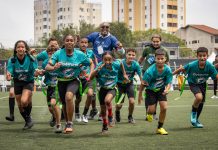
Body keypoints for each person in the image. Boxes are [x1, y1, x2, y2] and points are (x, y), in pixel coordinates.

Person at [45, 34, 91, 134]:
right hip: (61, 82)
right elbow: (47, 67)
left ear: (74, 42)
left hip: (74, 80)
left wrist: (89, 74)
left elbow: (90, 62)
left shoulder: (80, 54)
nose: (69, 42)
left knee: (69, 97)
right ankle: (66, 122)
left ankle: (70, 123)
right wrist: (54, 67)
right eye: (67, 40)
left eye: (71, 40)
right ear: (64, 42)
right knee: (64, 104)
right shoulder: (58, 53)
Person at [86, 22, 124, 120]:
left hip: (107, 68)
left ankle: (103, 114)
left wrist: (120, 48)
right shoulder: (94, 35)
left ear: (109, 28)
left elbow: (121, 52)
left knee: (105, 91)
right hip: (96, 67)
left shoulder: (112, 38)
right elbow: (84, 41)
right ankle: (94, 110)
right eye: (103, 27)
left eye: (107, 27)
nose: (105, 28)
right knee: (93, 92)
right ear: (100, 27)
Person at [173, 47, 218, 128]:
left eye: (204, 56)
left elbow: (216, 76)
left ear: (207, 56)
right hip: (193, 83)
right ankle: (193, 113)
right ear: (197, 56)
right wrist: (169, 75)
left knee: (201, 102)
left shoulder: (210, 66)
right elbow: (181, 69)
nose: (202, 57)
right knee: (199, 97)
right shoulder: (192, 65)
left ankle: (195, 120)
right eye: (200, 56)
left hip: (202, 84)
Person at [90, 51, 128, 134]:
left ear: (113, 59)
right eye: (105, 60)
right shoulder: (100, 65)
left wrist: (124, 74)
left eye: (109, 59)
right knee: (103, 111)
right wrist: (98, 70)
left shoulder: (116, 64)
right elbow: (91, 77)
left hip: (112, 88)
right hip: (102, 89)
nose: (107, 62)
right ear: (102, 59)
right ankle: (105, 125)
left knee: (107, 100)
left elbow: (121, 62)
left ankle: (110, 116)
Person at [138, 49, 172, 135]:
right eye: (158, 59)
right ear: (155, 59)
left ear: (165, 59)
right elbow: (143, 84)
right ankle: (149, 114)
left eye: (162, 58)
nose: (160, 60)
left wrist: (167, 89)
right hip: (150, 91)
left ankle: (160, 128)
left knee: (164, 108)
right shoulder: (150, 71)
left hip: (161, 90)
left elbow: (168, 82)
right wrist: (140, 95)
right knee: (152, 110)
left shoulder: (167, 69)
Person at [6, 40, 38, 130]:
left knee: (24, 101)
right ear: (16, 49)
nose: (20, 48)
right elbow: (10, 71)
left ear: (25, 49)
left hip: (28, 82)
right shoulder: (12, 59)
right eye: (18, 47)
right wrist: (8, 75)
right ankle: (28, 120)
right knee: (20, 106)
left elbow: (35, 70)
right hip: (17, 82)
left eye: (22, 47)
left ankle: (28, 119)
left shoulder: (31, 58)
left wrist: (37, 72)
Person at [138, 34, 170, 121]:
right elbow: (141, 59)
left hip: (159, 74)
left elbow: (167, 63)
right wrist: (136, 68)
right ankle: (149, 113)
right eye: (154, 41)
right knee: (149, 92)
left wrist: (168, 72)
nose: (155, 43)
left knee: (157, 91)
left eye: (157, 41)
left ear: (160, 41)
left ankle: (153, 113)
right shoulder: (147, 49)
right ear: (151, 41)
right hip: (147, 73)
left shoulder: (164, 50)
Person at [115, 48, 142, 124]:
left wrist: (143, 82)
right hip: (120, 85)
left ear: (135, 56)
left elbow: (140, 75)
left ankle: (130, 116)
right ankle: (117, 112)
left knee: (132, 101)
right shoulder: (120, 63)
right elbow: (115, 73)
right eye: (129, 54)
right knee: (119, 105)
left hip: (129, 85)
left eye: (133, 55)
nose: (131, 56)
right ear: (126, 55)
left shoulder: (136, 64)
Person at [41, 46, 62, 133]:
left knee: (54, 104)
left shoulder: (61, 62)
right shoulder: (46, 63)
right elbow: (44, 72)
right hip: (50, 87)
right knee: (50, 108)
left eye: (54, 53)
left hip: (58, 87)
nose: (52, 55)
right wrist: (40, 72)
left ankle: (58, 124)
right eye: (50, 53)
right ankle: (55, 116)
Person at [74, 37, 95, 123]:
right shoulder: (75, 53)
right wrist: (80, 70)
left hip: (87, 79)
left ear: (88, 44)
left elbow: (92, 64)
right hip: (77, 79)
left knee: (90, 94)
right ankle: (77, 112)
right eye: (82, 42)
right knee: (78, 99)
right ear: (79, 44)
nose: (84, 44)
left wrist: (90, 74)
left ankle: (85, 114)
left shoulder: (90, 53)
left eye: (86, 43)